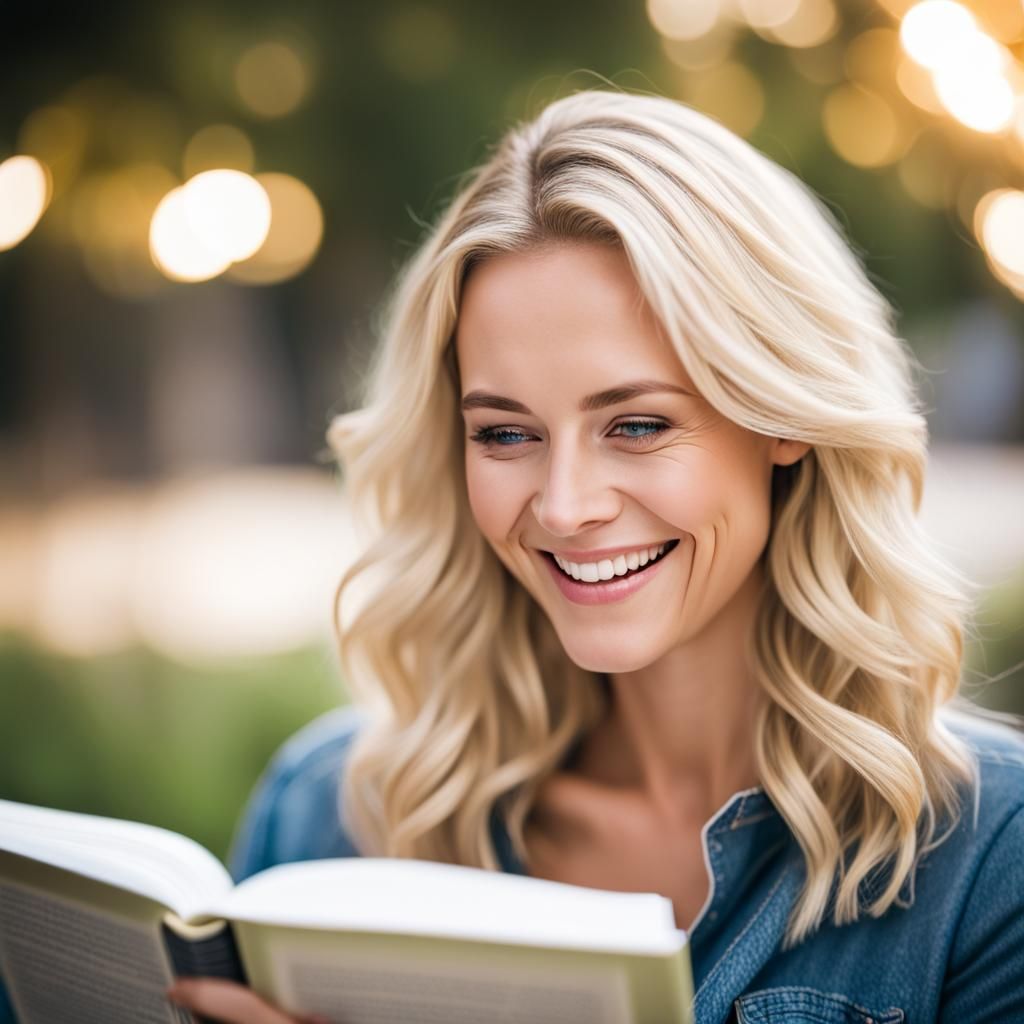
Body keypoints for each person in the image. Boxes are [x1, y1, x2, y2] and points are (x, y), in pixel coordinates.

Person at [151, 88, 1024, 1021]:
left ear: (783, 421)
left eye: (638, 424)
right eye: (504, 434)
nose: (565, 507)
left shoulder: (986, 862)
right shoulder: (330, 813)